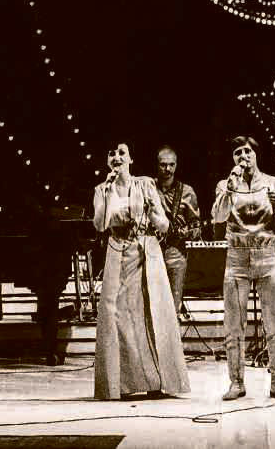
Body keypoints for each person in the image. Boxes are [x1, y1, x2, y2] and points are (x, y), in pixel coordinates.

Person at [92, 142, 190, 400]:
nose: (116, 157)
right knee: (119, 318)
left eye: (121, 153)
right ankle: (124, 384)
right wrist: (107, 193)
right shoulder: (102, 189)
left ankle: (156, 381)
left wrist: (152, 210)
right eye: (111, 154)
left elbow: (164, 225)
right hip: (117, 253)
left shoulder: (145, 184)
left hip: (147, 252)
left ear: (131, 159)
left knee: (152, 313)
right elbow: (100, 225)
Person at [212, 136, 275, 400]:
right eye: (238, 153)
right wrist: (229, 189)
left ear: (256, 155)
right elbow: (218, 217)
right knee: (234, 325)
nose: (243, 156)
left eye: (247, 151)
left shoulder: (273, 183)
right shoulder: (225, 184)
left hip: (266, 255)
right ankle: (236, 382)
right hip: (237, 257)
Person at [154, 145, 201, 316]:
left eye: (171, 165)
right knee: (152, 307)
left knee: (172, 309)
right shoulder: (148, 188)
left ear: (176, 165)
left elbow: (196, 227)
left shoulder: (187, 191)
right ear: (157, 165)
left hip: (175, 253)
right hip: (151, 252)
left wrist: (186, 232)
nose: (167, 169)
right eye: (163, 164)